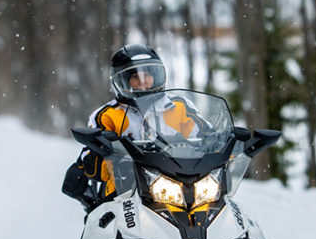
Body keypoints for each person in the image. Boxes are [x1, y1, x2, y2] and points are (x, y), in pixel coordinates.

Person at [62, 43, 211, 209]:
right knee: (105, 225)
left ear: (157, 75)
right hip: (124, 193)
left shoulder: (179, 106)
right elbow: (91, 163)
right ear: (122, 80)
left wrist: (226, 142)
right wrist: (105, 151)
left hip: (183, 186)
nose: (142, 81)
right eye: (135, 77)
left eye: (147, 75)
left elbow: (206, 135)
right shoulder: (107, 115)